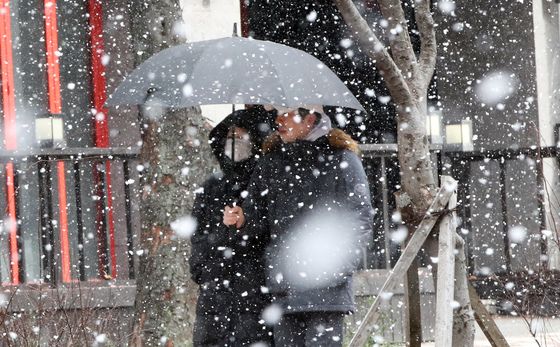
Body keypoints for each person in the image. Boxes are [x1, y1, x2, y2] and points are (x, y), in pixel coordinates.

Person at [224, 105, 373, 346]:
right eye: (277, 115)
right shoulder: (270, 163)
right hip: (286, 287)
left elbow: (360, 219)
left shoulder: (342, 159)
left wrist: (338, 268)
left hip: (327, 288)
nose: (279, 121)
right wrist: (240, 220)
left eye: (287, 114)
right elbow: (257, 221)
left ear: (311, 118)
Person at [190, 106, 275, 347]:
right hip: (215, 297)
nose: (234, 143)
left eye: (240, 137)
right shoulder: (212, 187)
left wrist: (244, 223)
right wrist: (204, 269)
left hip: (256, 295)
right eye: (230, 137)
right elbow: (199, 237)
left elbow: (271, 230)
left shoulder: (265, 183)